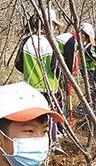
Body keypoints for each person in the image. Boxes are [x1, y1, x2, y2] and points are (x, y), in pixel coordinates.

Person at [16, 9, 68, 143]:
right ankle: (51, 142)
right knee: (48, 117)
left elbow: (19, 64)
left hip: (30, 86)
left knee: (32, 117)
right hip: (49, 87)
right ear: (48, 24)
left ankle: (32, 141)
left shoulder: (26, 41)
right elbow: (55, 67)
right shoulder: (52, 43)